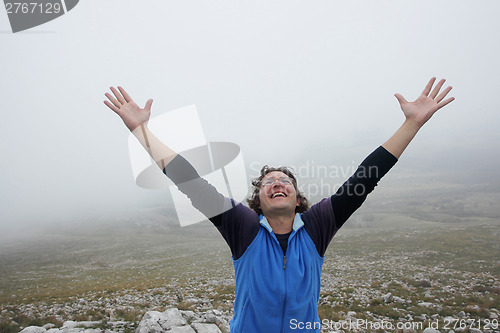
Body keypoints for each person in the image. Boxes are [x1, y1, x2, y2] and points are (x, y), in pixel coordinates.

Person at [104, 78, 454, 333]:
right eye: (268, 181)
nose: (276, 183)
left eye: (284, 180)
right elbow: (191, 182)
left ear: (298, 199)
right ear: (257, 201)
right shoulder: (242, 227)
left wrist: (411, 124)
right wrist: (142, 132)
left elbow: (363, 180)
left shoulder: (318, 226)